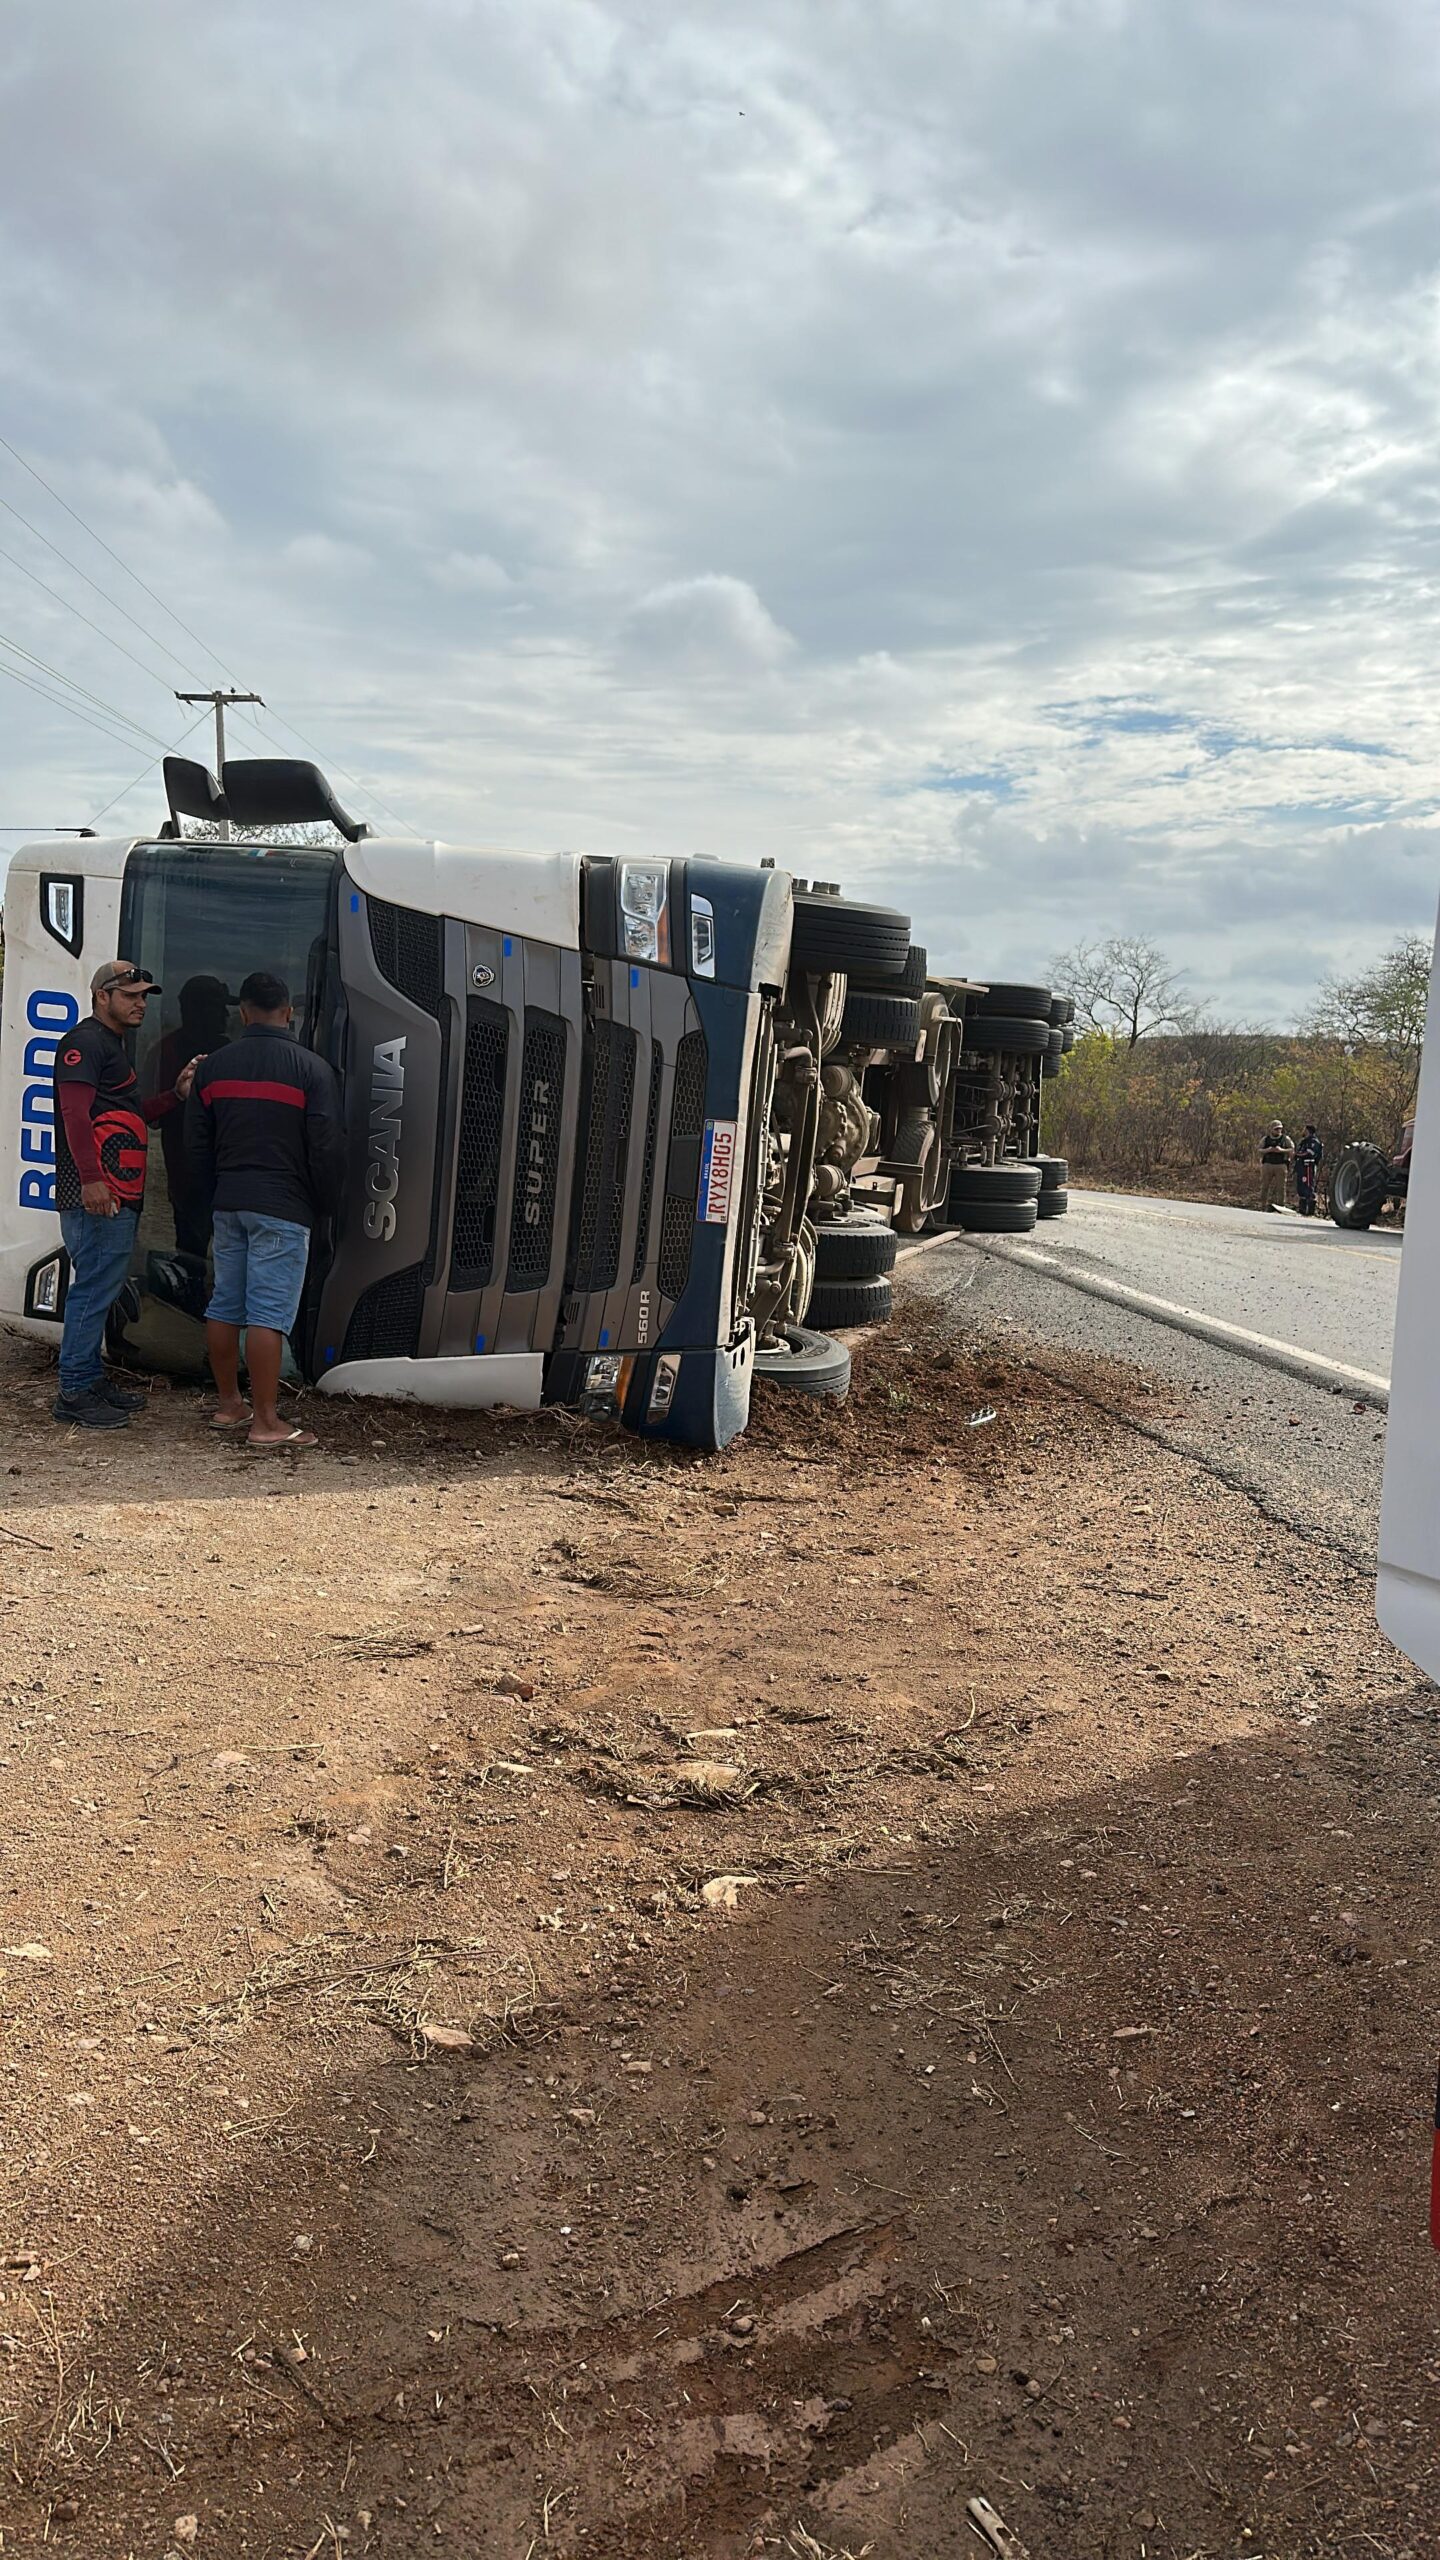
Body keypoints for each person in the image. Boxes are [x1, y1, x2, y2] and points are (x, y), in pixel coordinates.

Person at [185, 970, 345, 1450]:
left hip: (229, 1203)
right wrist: (324, 1204)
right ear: (288, 1012)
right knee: (268, 1316)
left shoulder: (213, 1068)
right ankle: (266, 1422)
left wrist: (210, 1197)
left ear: (243, 1012)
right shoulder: (312, 1070)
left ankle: (229, 1405)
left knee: (225, 1305)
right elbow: (326, 1148)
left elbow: (196, 1146)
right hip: (283, 1207)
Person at [51, 961, 200, 1429]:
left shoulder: (109, 1044)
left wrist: (175, 1095)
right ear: (102, 996)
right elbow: (74, 1115)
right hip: (98, 1195)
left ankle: (88, 1379)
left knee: (103, 1287)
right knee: (94, 1289)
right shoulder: (84, 1043)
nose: (141, 1004)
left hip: (115, 1194)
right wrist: (92, 1180)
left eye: (144, 997)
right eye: (131, 995)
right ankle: (74, 1391)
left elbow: (132, 1113)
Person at [149, 975, 234, 1255]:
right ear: (196, 1010)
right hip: (188, 1176)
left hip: (227, 1174)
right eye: (218, 1007)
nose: (225, 1015)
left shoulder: (230, 1050)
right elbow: (150, 1115)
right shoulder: (165, 1053)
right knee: (192, 1252)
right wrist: (177, 1095)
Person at [1259, 1117, 1294, 1212]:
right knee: (1264, 1186)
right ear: (1271, 1129)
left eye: (1280, 1129)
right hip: (1268, 1165)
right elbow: (1259, 1150)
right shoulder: (1265, 1139)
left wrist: (1281, 1150)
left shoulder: (1285, 1139)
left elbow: (1292, 1149)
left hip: (1281, 1165)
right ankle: (1262, 1206)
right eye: (1276, 1129)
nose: (1278, 1130)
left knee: (1281, 1188)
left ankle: (1281, 1207)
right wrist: (1268, 1150)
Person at [1294, 1122, 1323, 1216]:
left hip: (1308, 1166)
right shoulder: (1304, 1141)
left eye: (1304, 1130)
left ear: (1308, 1131)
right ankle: (1302, 1209)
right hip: (1301, 1166)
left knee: (1308, 1187)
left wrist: (1297, 1154)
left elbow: (1309, 1153)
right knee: (1301, 1187)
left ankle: (1310, 1210)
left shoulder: (1313, 1142)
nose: (1303, 1131)